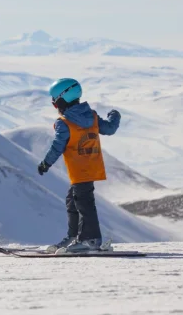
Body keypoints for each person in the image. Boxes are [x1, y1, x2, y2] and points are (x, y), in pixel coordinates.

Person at [37, 78, 121, 253]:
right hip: (91, 166)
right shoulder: (92, 116)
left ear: (62, 99)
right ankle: (75, 237)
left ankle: (90, 240)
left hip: (79, 169)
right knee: (73, 200)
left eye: (54, 102)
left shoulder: (64, 123)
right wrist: (115, 115)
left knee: (84, 203)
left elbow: (57, 146)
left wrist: (46, 163)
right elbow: (110, 129)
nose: (54, 105)